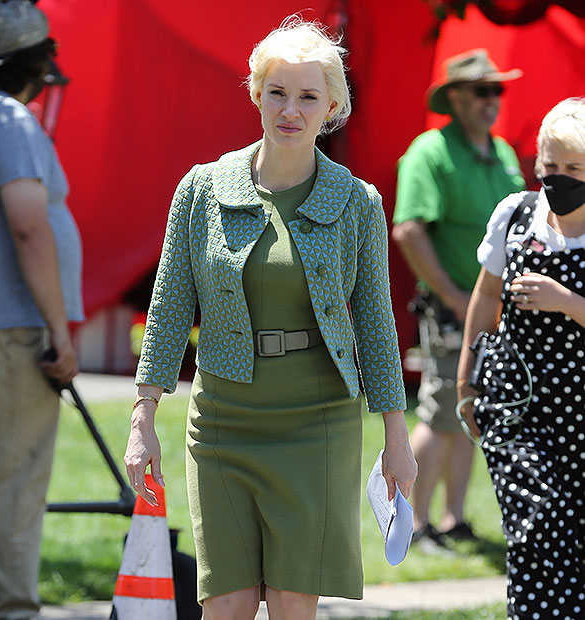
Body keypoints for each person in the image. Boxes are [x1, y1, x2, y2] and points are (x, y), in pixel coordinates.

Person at [124, 16, 417, 620]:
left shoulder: (358, 200)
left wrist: (396, 438)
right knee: (225, 603)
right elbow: (170, 306)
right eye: (277, 91)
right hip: (224, 419)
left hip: (318, 419)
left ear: (332, 106)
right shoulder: (202, 189)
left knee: (290, 602)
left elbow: (377, 327)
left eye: (308, 96)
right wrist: (143, 413)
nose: (291, 109)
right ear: (255, 94)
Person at [0, 2, 83, 619]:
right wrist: (59, 333)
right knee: (5, 490)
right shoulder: (7, 118)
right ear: (33, 63)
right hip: (9, 334)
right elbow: (29, 227)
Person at [457, 97, 585, 620]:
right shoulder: (515, 214)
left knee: (570, 532)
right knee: (535, 523)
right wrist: (467, 381)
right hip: (517, 407)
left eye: (573, 168)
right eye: (550, 166)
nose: (559, 177)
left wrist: (567, 302)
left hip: (578, 413)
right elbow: (485, 296)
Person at [391, 48, 525, 549]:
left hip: (496, 312)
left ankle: (452, 519)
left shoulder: (502, 151)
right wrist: (453, 295)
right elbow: (408, 230)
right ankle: (414, 524)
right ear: (455, 98)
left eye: (498, 90)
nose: (492, 100)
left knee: (472, 411)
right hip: (451, 310)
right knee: (441, 413)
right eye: (482, 91)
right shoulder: (430, 152)